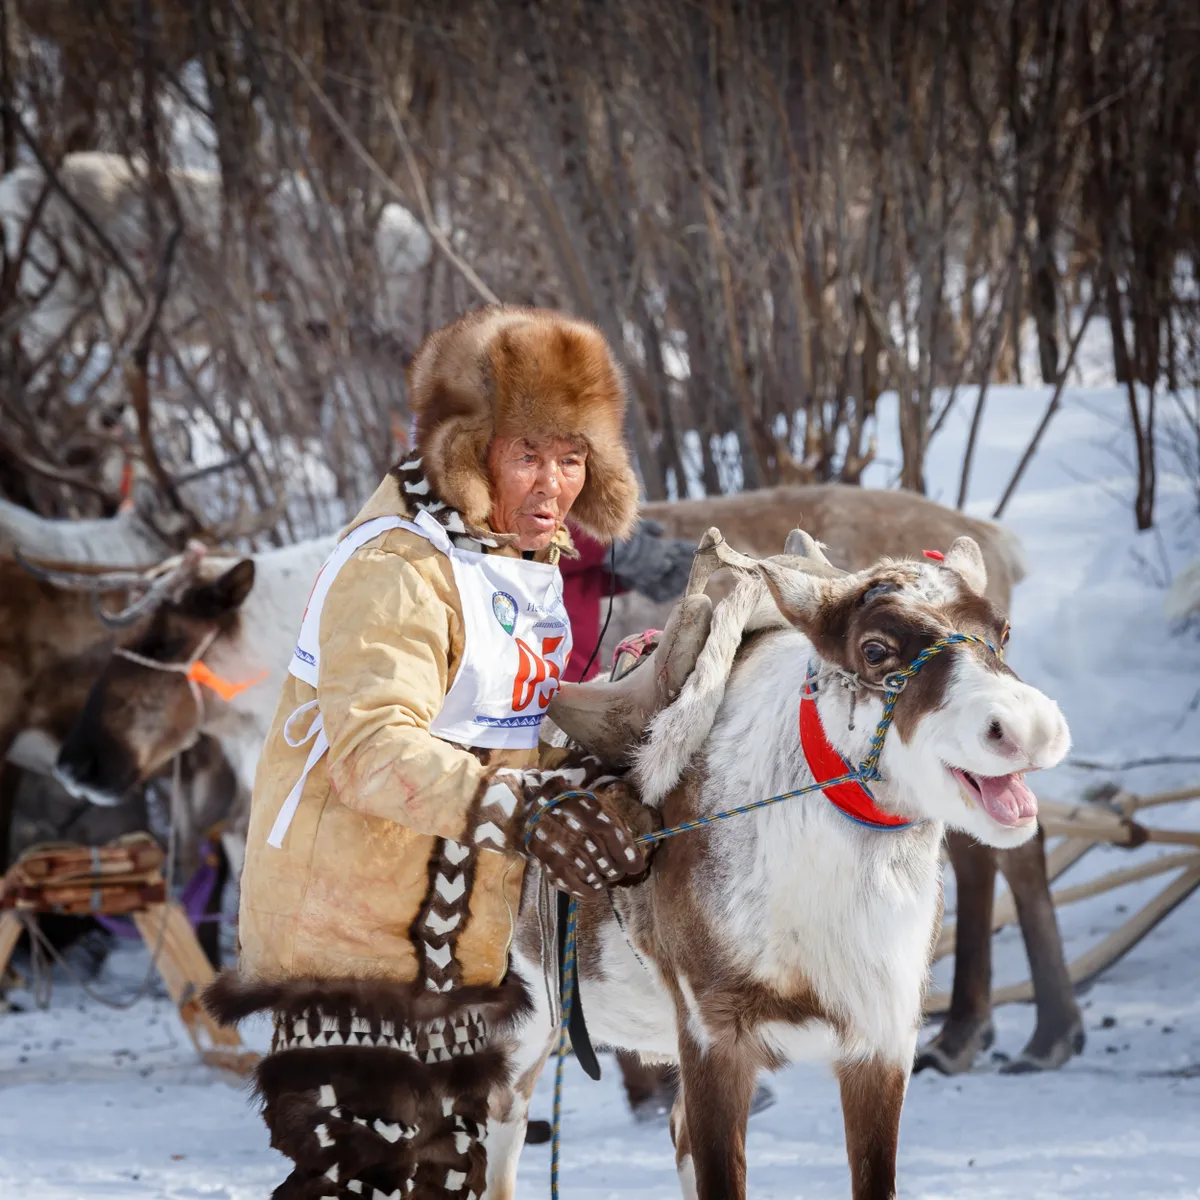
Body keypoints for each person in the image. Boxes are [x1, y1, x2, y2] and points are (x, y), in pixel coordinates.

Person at [204, 306, 657, 1199]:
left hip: (458, 956)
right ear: (467, 448)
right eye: (529, 452)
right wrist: (527, 813)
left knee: (445, 1183)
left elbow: (497, 734)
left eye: (574, 458)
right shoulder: (401, 567)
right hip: (351, 951)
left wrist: (603, 745)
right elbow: (373, 750)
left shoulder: (513, 566)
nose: (554, 484)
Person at [559, 519, 694, 682]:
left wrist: (628, 575)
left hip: (577, 679)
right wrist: (609, 541)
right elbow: (531, 544)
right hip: (537, 686)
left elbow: (577, 587)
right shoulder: (537, 518)